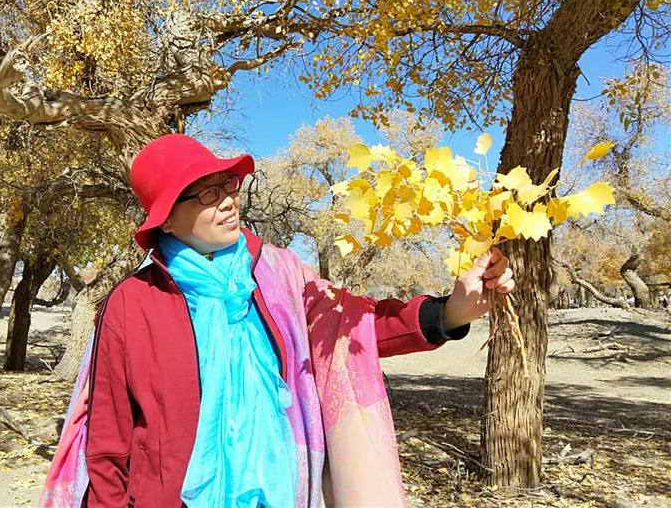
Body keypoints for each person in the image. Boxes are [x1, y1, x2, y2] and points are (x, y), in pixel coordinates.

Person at [41, 134, 515, 508]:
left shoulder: (280, 276)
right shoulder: (132, 303)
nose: (227, 201)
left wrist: (449, 312)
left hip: (280, 492)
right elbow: (107, 442)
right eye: (206, 193)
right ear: (166, 220)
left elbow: (350, 328)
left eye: (228, 185)